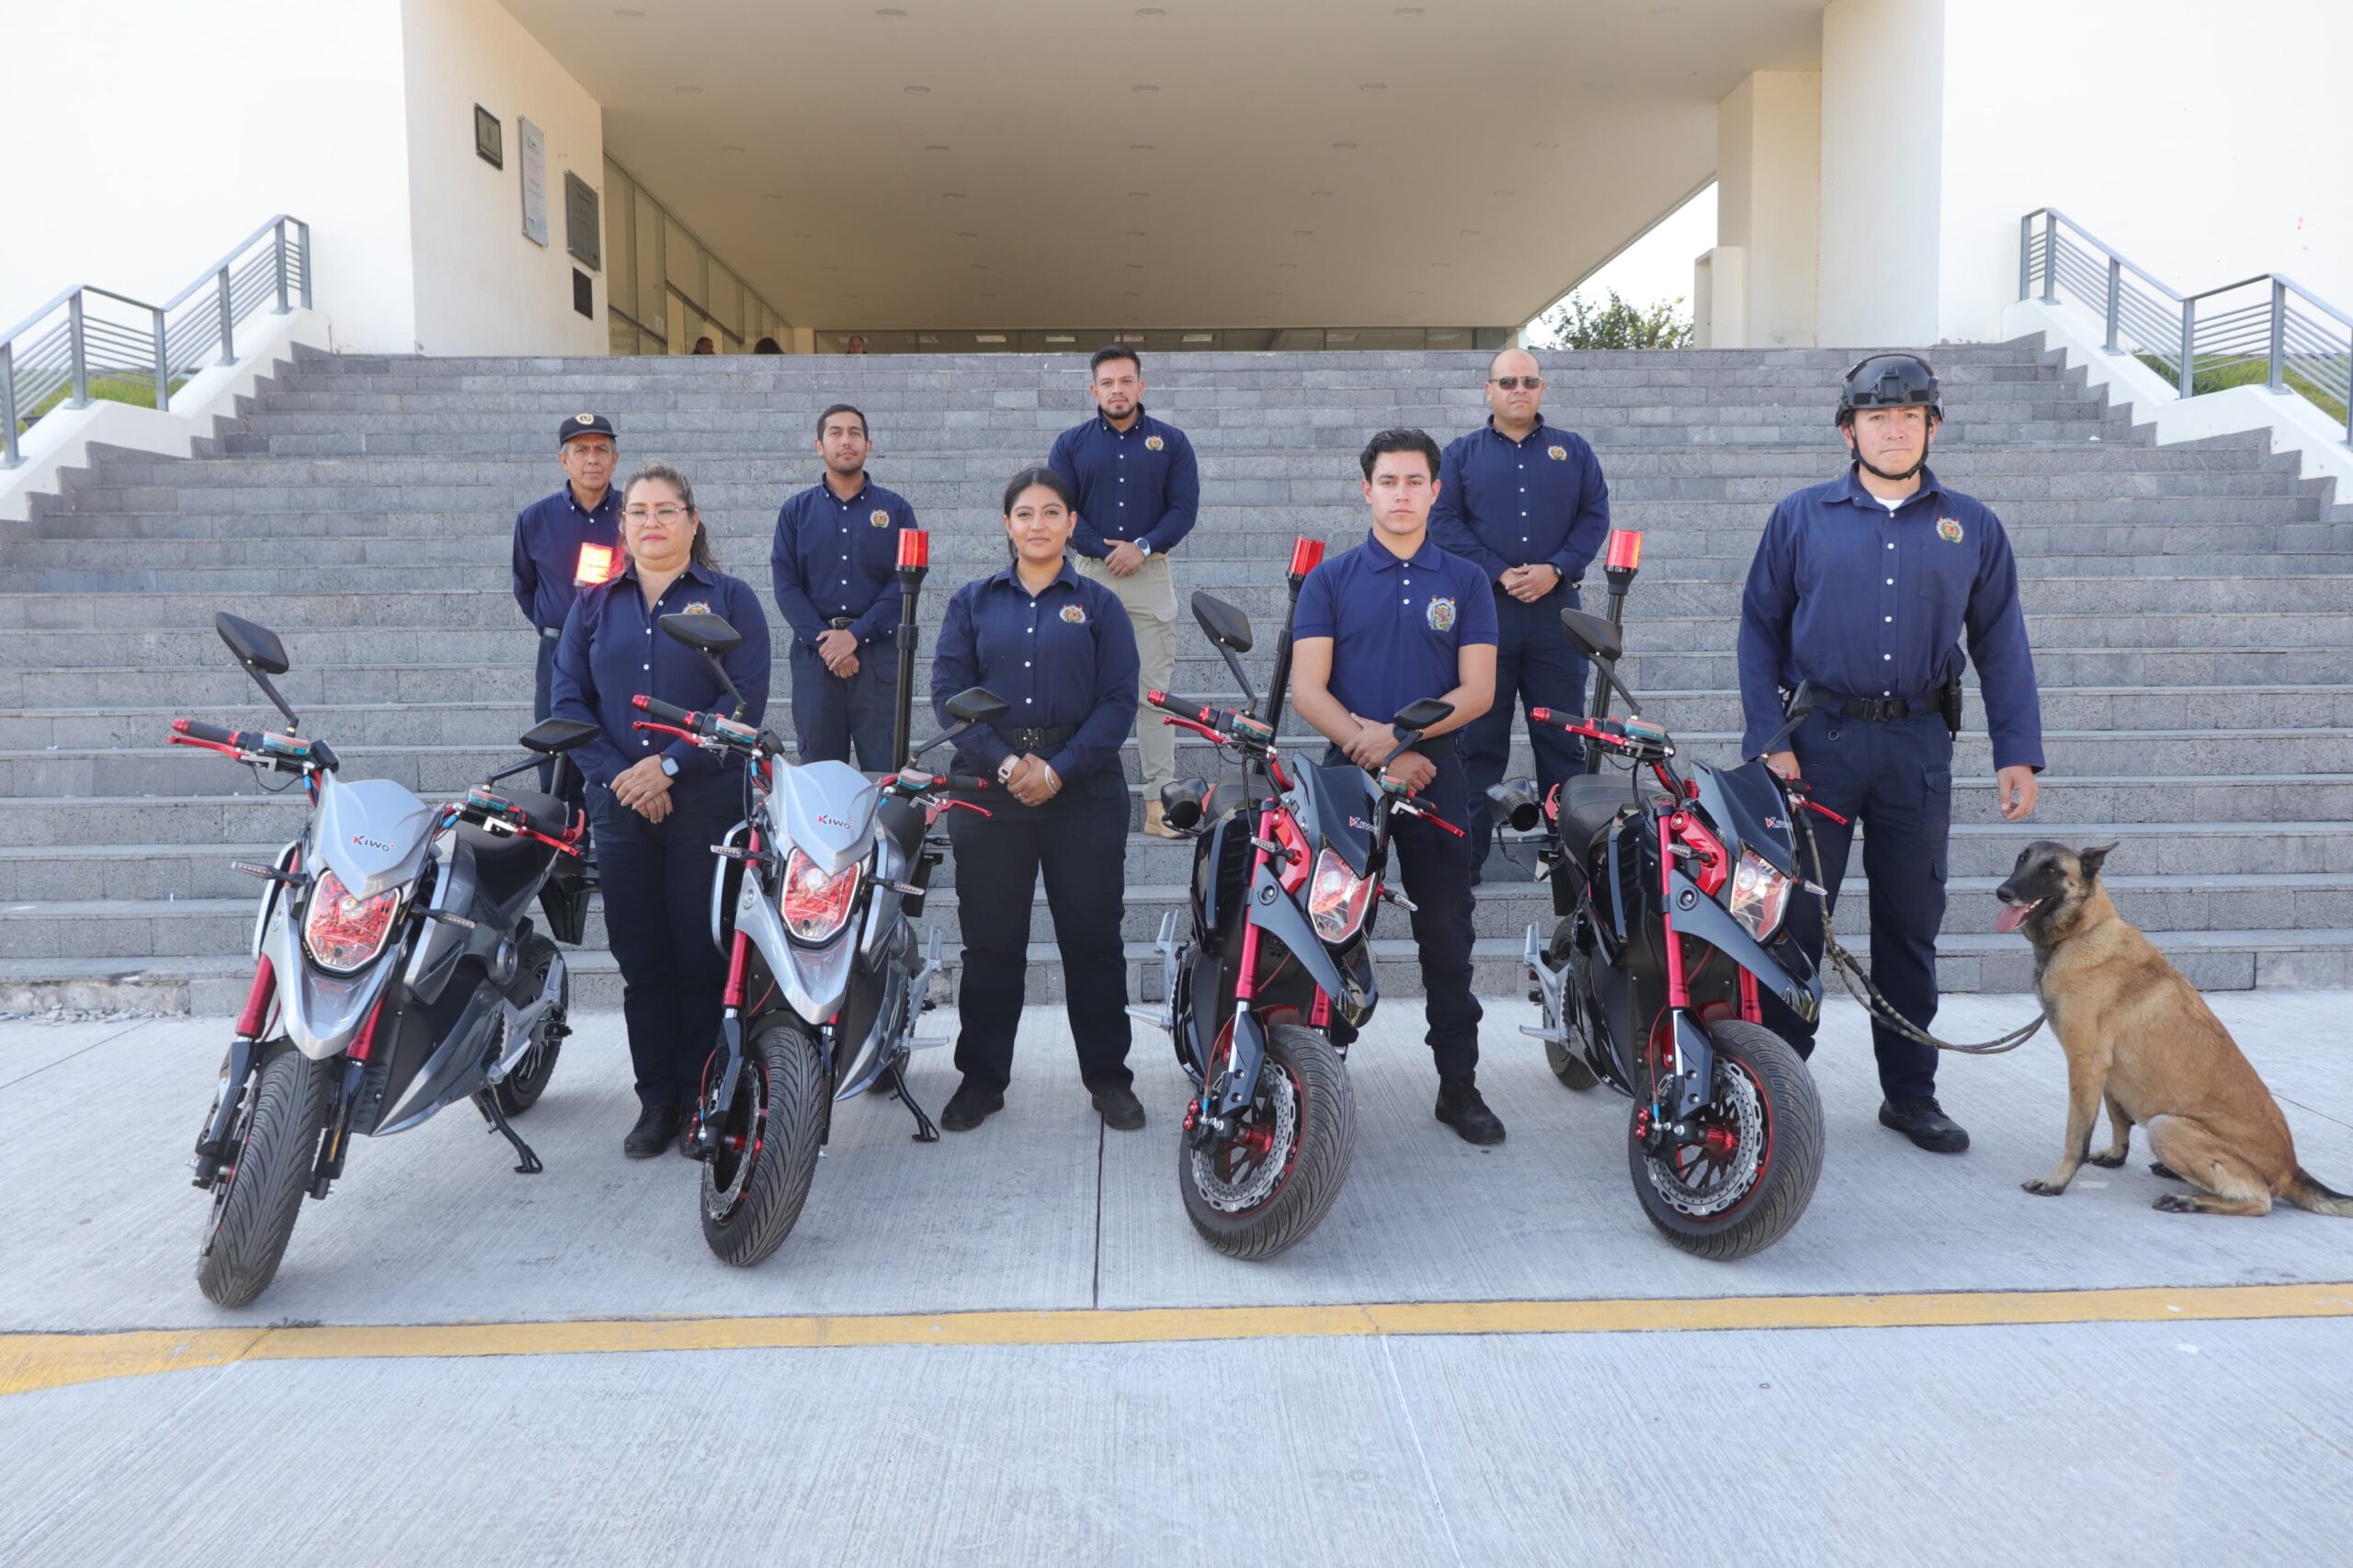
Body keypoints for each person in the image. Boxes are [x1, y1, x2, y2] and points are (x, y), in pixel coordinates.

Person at [1738, 353, 2044, 1155]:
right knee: (1795, 923)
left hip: (1916, 746)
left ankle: (1910, 1095)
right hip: (1817, 747)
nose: (1895, 428)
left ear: (1933, 426)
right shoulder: (1801, 517)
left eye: (1911, 416)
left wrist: (2018, 751)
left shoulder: (1971, 525)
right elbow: (1757, 635)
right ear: (1850, 429)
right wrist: (1770, 742)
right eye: (1878, 416)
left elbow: (2001, 642)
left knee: (1910, 923)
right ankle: (1780, 1090)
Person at [551, 462, 772, 1157]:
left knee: (702, 958)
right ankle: (657, 1103)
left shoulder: (730, 599)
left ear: (692, 521)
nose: (652, 522)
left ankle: (709, 1095)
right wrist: (624, 778)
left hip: (706, 806)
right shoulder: (593, 606)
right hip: (620, 812)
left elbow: (742, 703)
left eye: (666, 510)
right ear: (622, 526)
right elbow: (568, 703)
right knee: (643, 962)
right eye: (639, 511)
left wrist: (671, 765)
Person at [1290, 429, 1502, 1144]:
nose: (1402, 494)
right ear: (1367, 491)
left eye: (1416, 481)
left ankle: (1459, 1087)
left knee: (1447, 933)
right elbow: (1307, 688)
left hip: (1438, 776)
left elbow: (1478, 690)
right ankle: (1320, 1084)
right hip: (1348, 779)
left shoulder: (1466, 581)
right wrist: (1378, 753)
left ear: (1435, 491)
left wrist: (1405, 743)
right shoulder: (1332, 578)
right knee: (1331, 934)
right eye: (1389, 481)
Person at [930, 466, 1144, 1134]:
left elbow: (1117, 703)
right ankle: (982, 1079)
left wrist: (1057, 770)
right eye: (1025, 513)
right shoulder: (972, 602)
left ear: (1071, 523)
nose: (1039, 524)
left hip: (1082, 790)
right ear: (1007, 525)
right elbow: (947, 695)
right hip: (991, 791)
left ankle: (1108, 1078)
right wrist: (1005, 763)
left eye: (1052, 512)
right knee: (991, 943)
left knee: (1093, 940)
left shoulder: (1101, 605)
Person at [1430, 347, 1609, 883]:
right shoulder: (1460, 455)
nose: (1518, 390)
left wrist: (1557, 568)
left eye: (1528, 381)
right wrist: (1498, 571)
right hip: (1486, 615)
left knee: (1561, 738)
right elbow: (1442, 520)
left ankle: (1570, 855)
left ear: (1542, 388)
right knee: (1480, 739)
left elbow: (1594, 515)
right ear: (1489, 391)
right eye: (1507, 381)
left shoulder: (1573, 452)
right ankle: (1468, 855)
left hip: (1557, 617)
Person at [1049, 346, 1199, 837]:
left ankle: (1160, 807)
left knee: (1154, 695)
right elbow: (1060, 510)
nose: (1117, 389)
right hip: (1089, 577)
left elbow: (1183, 508)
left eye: (1126, 381)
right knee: (1079, 692)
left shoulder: (1171, 442)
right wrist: (1102, 548)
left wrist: (1142, 546)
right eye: (1108, 382)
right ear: (1094, 390)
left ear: (1141, 386)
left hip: (1150, 575)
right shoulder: (1070, 444)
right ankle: (1078, 798)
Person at [770, 403, 916, 769]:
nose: (845, 441)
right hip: (815, 661)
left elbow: (904, 584)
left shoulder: (897, 510)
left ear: (869, 444)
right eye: (835, 433)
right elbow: (786, 584)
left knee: (885, 776)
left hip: (880, 659)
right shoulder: (796, 512)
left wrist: (856, 636)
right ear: (819, 445)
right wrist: (827, 642)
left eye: (854, 433)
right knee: (820, 779)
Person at [510, 413, 623, 793]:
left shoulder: (637, 515)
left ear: (615, 458)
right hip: (559, 652)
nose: (592, 459)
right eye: (581, 450)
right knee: (557, 761)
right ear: (564, 459)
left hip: (621, 648)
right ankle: (564, 852)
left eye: (600, 449)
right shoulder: (535, 519)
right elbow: (525, 586)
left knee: (622, 753)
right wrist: (559, 627)